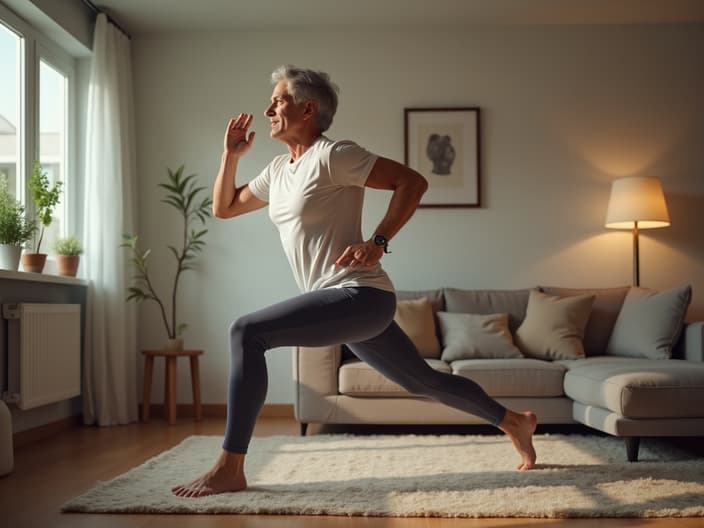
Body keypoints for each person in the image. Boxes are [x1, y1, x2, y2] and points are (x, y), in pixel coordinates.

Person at [172, 66, 537, 498]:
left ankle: (230, 466)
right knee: (423, 381)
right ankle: (515, 421)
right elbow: (225, 207)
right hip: (343, 301)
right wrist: (230, 156)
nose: (268, 108)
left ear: (308, 109)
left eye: (279, 100)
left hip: (360, 295)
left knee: (246, 332)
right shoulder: (278, 170)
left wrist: (378, 242)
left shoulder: (334, 155)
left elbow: (412, 182)